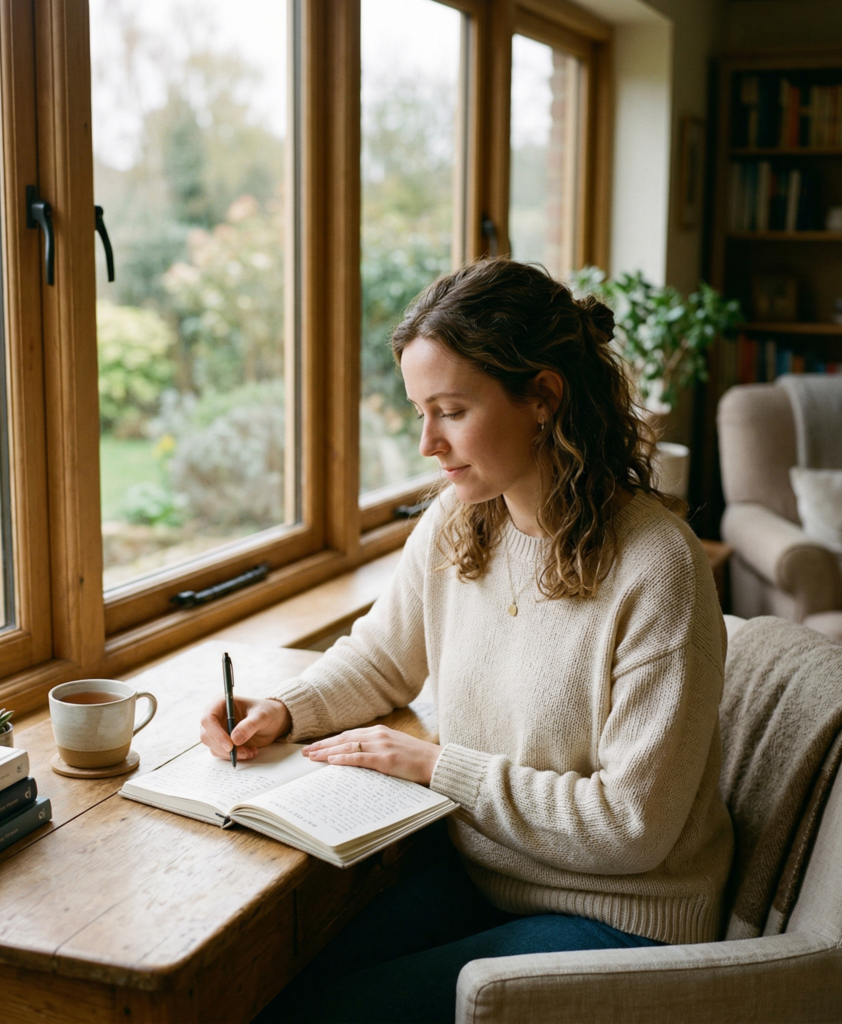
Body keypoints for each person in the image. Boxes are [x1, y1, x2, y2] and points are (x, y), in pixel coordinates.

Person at [201, 258, 734, 1023]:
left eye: (450, 410)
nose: (428, 443)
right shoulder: (459, 518)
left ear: (543, 398)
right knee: (266, 988)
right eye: (420, 411)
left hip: (623, 915)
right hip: (485, 876)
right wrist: (284, 709)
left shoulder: (660, 569)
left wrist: (439, 768)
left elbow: (633, 829)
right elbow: (384, 656)